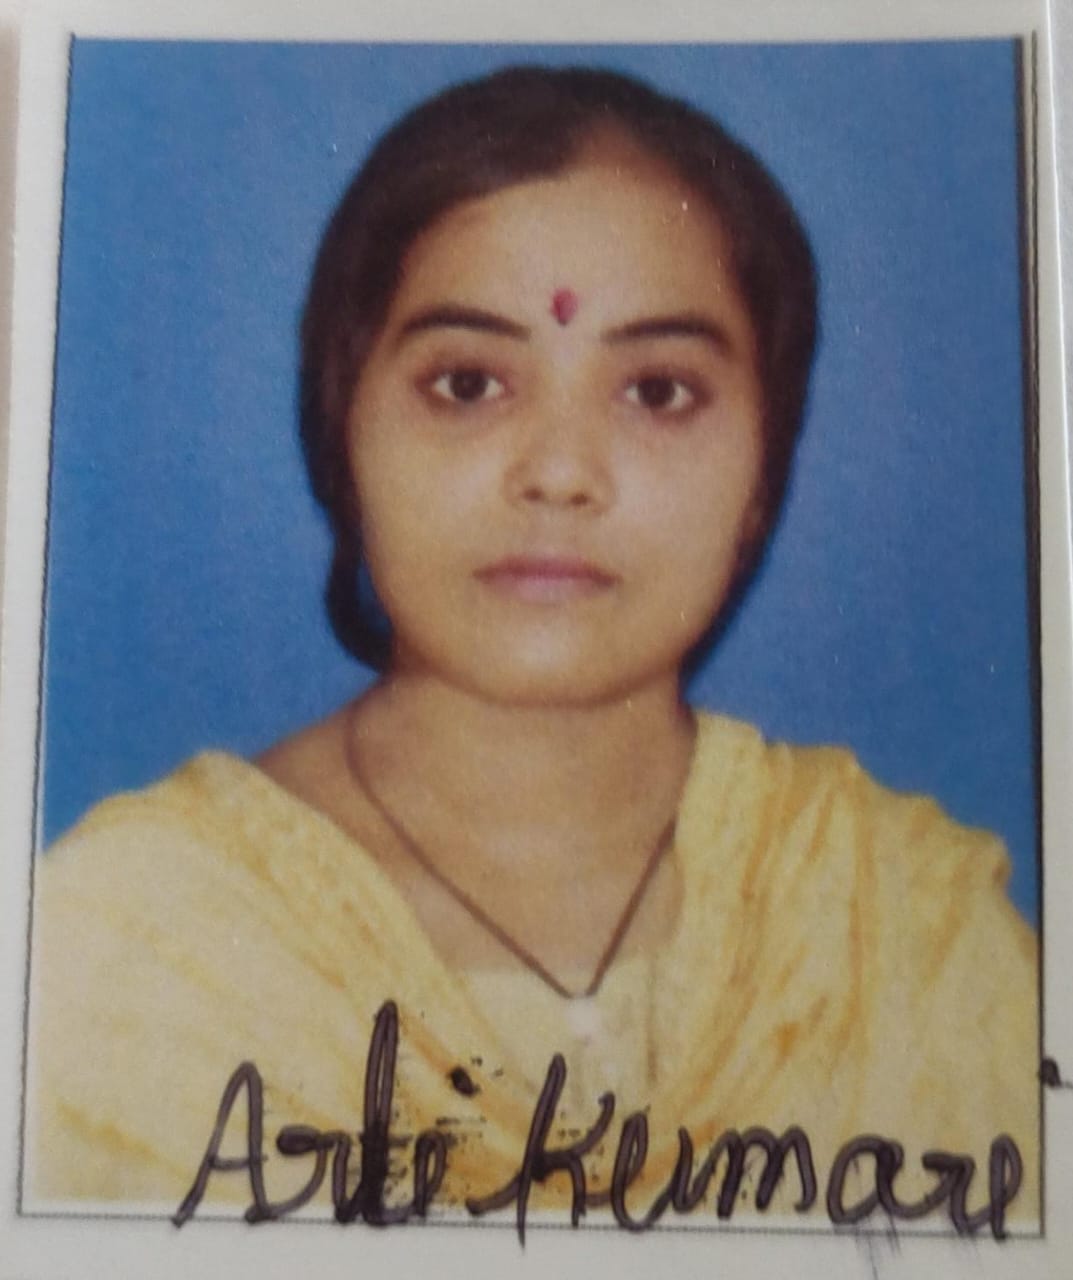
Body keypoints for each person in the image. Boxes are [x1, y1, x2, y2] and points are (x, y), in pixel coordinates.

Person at [28, 65, 1037, 1227]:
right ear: (339, 424)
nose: (558, 472)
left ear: (765, 468)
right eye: (467, 384)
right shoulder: (141, 946)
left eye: (656, 392)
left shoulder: (898, 932)